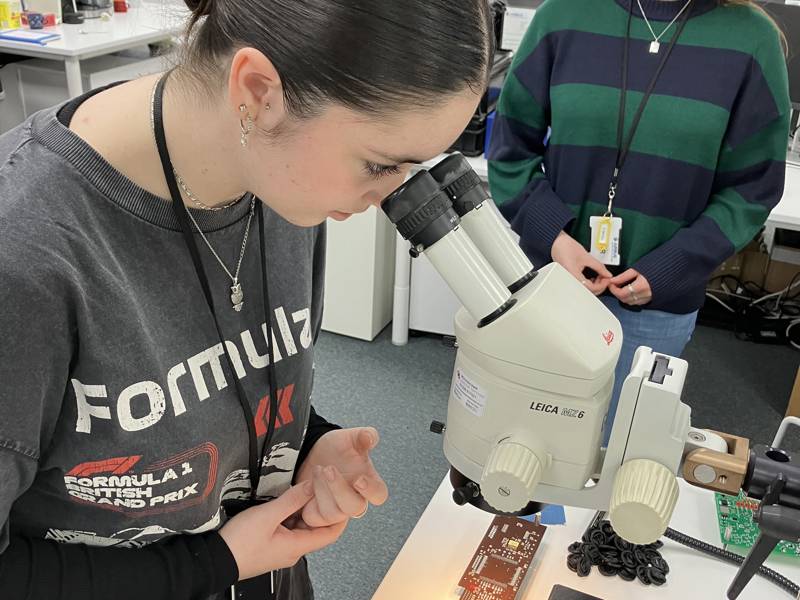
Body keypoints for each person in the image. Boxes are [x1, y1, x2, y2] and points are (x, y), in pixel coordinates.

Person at [0, 1, 493, 598]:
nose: (388, 198)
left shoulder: (275, 176)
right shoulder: (25, 252)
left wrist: (306, 441)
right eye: (381, 164)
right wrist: (215, 562)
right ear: (259, 90)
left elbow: (216, 373)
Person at [488, 0, 789, 443]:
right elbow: (510, 148)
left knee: (616, 448)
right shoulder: (563, 15)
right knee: (526, 436)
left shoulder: (752, 40)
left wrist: (673, 265)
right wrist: (553, 236)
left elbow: (753, 188)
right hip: (552, 281)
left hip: (656, 304)